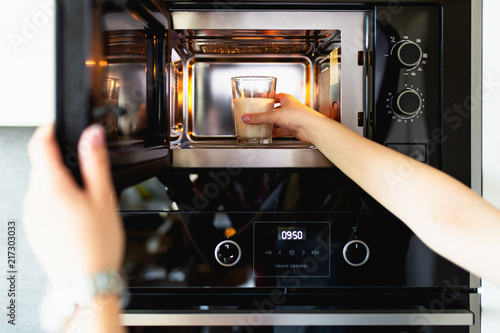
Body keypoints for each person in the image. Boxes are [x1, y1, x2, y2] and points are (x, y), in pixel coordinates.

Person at [23, 93, 500, 331]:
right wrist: (315, 129)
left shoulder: (315, 195)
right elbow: (452, 220)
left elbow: (448, 218)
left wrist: (88, 286)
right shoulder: (290, 189)